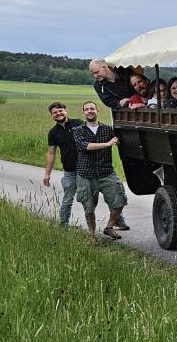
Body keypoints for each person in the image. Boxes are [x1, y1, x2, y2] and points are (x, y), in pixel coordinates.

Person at [72, 101, 129, 243]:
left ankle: (109, 227)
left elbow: (121, 140)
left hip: (106, 171)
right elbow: (85, 146)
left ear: (97, 111)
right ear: (83, 113)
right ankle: (92, 235)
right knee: (89, 207)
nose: (90, 111)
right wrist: (108, 144)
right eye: (87, 109)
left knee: (119, 199)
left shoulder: (108, 129)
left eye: (92, 109)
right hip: (86, 174)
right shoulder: (78, 130)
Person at [42, 102, 82, 227]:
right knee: (67, 199)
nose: (58, 114)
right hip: (69, 170)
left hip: (86, 168)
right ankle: (63, 226)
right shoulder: (53, 132)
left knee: (95, 195)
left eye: (60, 111)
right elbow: (51, 153)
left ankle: (118, 219)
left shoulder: (79, 123)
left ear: (65, 111)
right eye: (55, 112)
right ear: (52, 116)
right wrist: (47, 174)